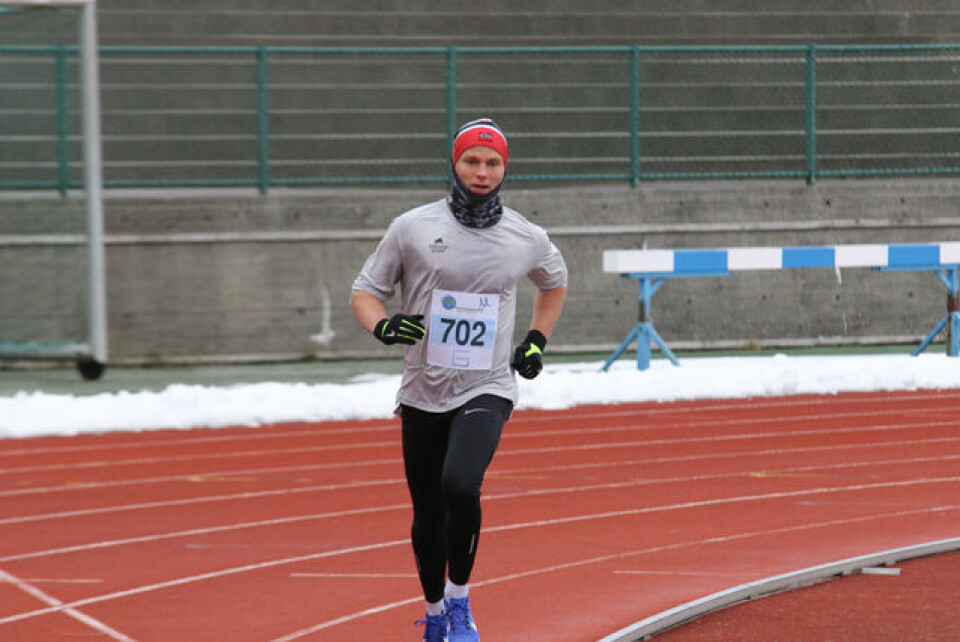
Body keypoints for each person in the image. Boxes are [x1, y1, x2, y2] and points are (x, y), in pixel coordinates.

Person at [350, 118, 567, 641]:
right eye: (472, 160)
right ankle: (433, 613)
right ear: (455, 163)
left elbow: (554, 282)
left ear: (504, 170)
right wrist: (382, 324)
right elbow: (364, 290)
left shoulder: (525, 236)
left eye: (493, 163)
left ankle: (460, 602)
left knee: (460, 485)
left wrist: (536, 340)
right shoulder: (413, 227)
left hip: (486, 385)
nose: (482, 171)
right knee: (427, 511)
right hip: (424, 387)